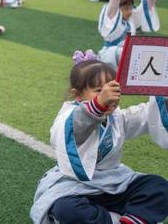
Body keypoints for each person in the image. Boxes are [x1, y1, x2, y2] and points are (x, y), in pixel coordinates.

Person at [30, 51, 168, 224]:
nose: (108, 96)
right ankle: (115, 218)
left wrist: (164, 98)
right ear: (78, 95)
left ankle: (127, 220)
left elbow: (145, 116)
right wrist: (98, 105)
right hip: (74, 186)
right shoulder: (69, 115)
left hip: (115, 182)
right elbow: (76, 126)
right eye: (98, 91)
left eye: (112, 89)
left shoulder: (117, 117)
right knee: (66, 209)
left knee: (158, 187)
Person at [97, 0, 160, 67]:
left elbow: (146, 7)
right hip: (110, 58)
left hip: (126, 56)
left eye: (130, 7)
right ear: (118, 8)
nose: (129, 11)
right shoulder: (111, 18)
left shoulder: (132, 19)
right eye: (125, 8)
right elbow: (113, 6)